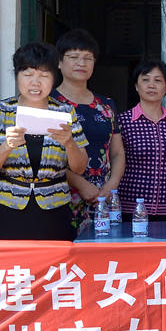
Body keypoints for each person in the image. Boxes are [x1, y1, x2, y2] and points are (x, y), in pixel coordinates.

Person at [0, 41, 88, 331]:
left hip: (52, 211)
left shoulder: (65, 112)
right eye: (28, 74)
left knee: (53, 298)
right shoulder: (1, 111)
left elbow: (80, 166)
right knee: (7, 298)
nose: (35, 82)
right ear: (18, 77)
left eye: (43, 74)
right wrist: (7, 146)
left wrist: (69, 142)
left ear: (54, 77)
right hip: (6, 212)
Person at [51, 29, 124, 231]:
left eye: (87, 58)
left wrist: (112, 184)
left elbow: (117, 152)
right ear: (59, 62)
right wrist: (80, 184)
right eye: (74, 57)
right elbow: (45, 155)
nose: (81, 63)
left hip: (103, 197)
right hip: (62, 195)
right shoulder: (49, 104)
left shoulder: (106, 105)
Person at [117, 60, 166, 221]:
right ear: (136, 86)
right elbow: (114, 162)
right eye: (145, 80)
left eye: (158, 80)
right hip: (131, 206)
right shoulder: (122, 122)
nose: (151, 85)